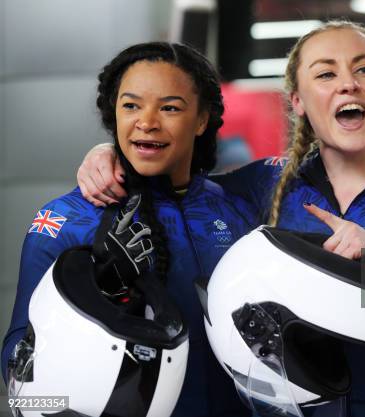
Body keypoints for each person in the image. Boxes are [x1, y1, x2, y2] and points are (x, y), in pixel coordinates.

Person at [75, 21, 365, 417]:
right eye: (326, 74)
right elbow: (166, 174)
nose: (348, 84)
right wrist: (109, 153)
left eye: (364, 70)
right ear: (299, 101)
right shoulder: (258, 187)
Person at [2, 42, 255, 417]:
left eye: (169, 107)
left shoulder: (262, 193)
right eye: (131, 105)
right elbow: (18, 380)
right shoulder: (68, 221)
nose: (148, 121)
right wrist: (97, 307)